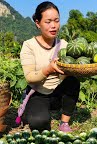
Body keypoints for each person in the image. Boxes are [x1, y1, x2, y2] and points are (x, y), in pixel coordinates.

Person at [19, 1, 80, 132]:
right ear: (37, 23)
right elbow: (30, 78)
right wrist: (49, 69)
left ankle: (64, 122)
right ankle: (34, 110)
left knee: (73, 81)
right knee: (38, 122)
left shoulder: (64, 45)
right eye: (48, 22)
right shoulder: (29, 45)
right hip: (39, 93)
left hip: (58, 92)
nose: (53, 26)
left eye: (57, 21)